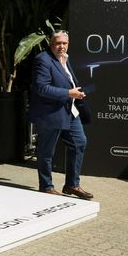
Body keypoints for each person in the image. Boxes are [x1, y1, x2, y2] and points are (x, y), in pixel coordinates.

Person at [28, 30, 93, 199]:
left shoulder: (65, 58)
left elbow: (68, 80)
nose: (61, 46)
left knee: (79, 142)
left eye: (64, 43)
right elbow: (42, 88)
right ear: (51, 44)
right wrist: (69, 93)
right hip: (50, 113)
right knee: (46, 151)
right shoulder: (42, 60)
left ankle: (72, 185)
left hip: (69, 110)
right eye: (58, 43)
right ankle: (46, 186)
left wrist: (76, 93)